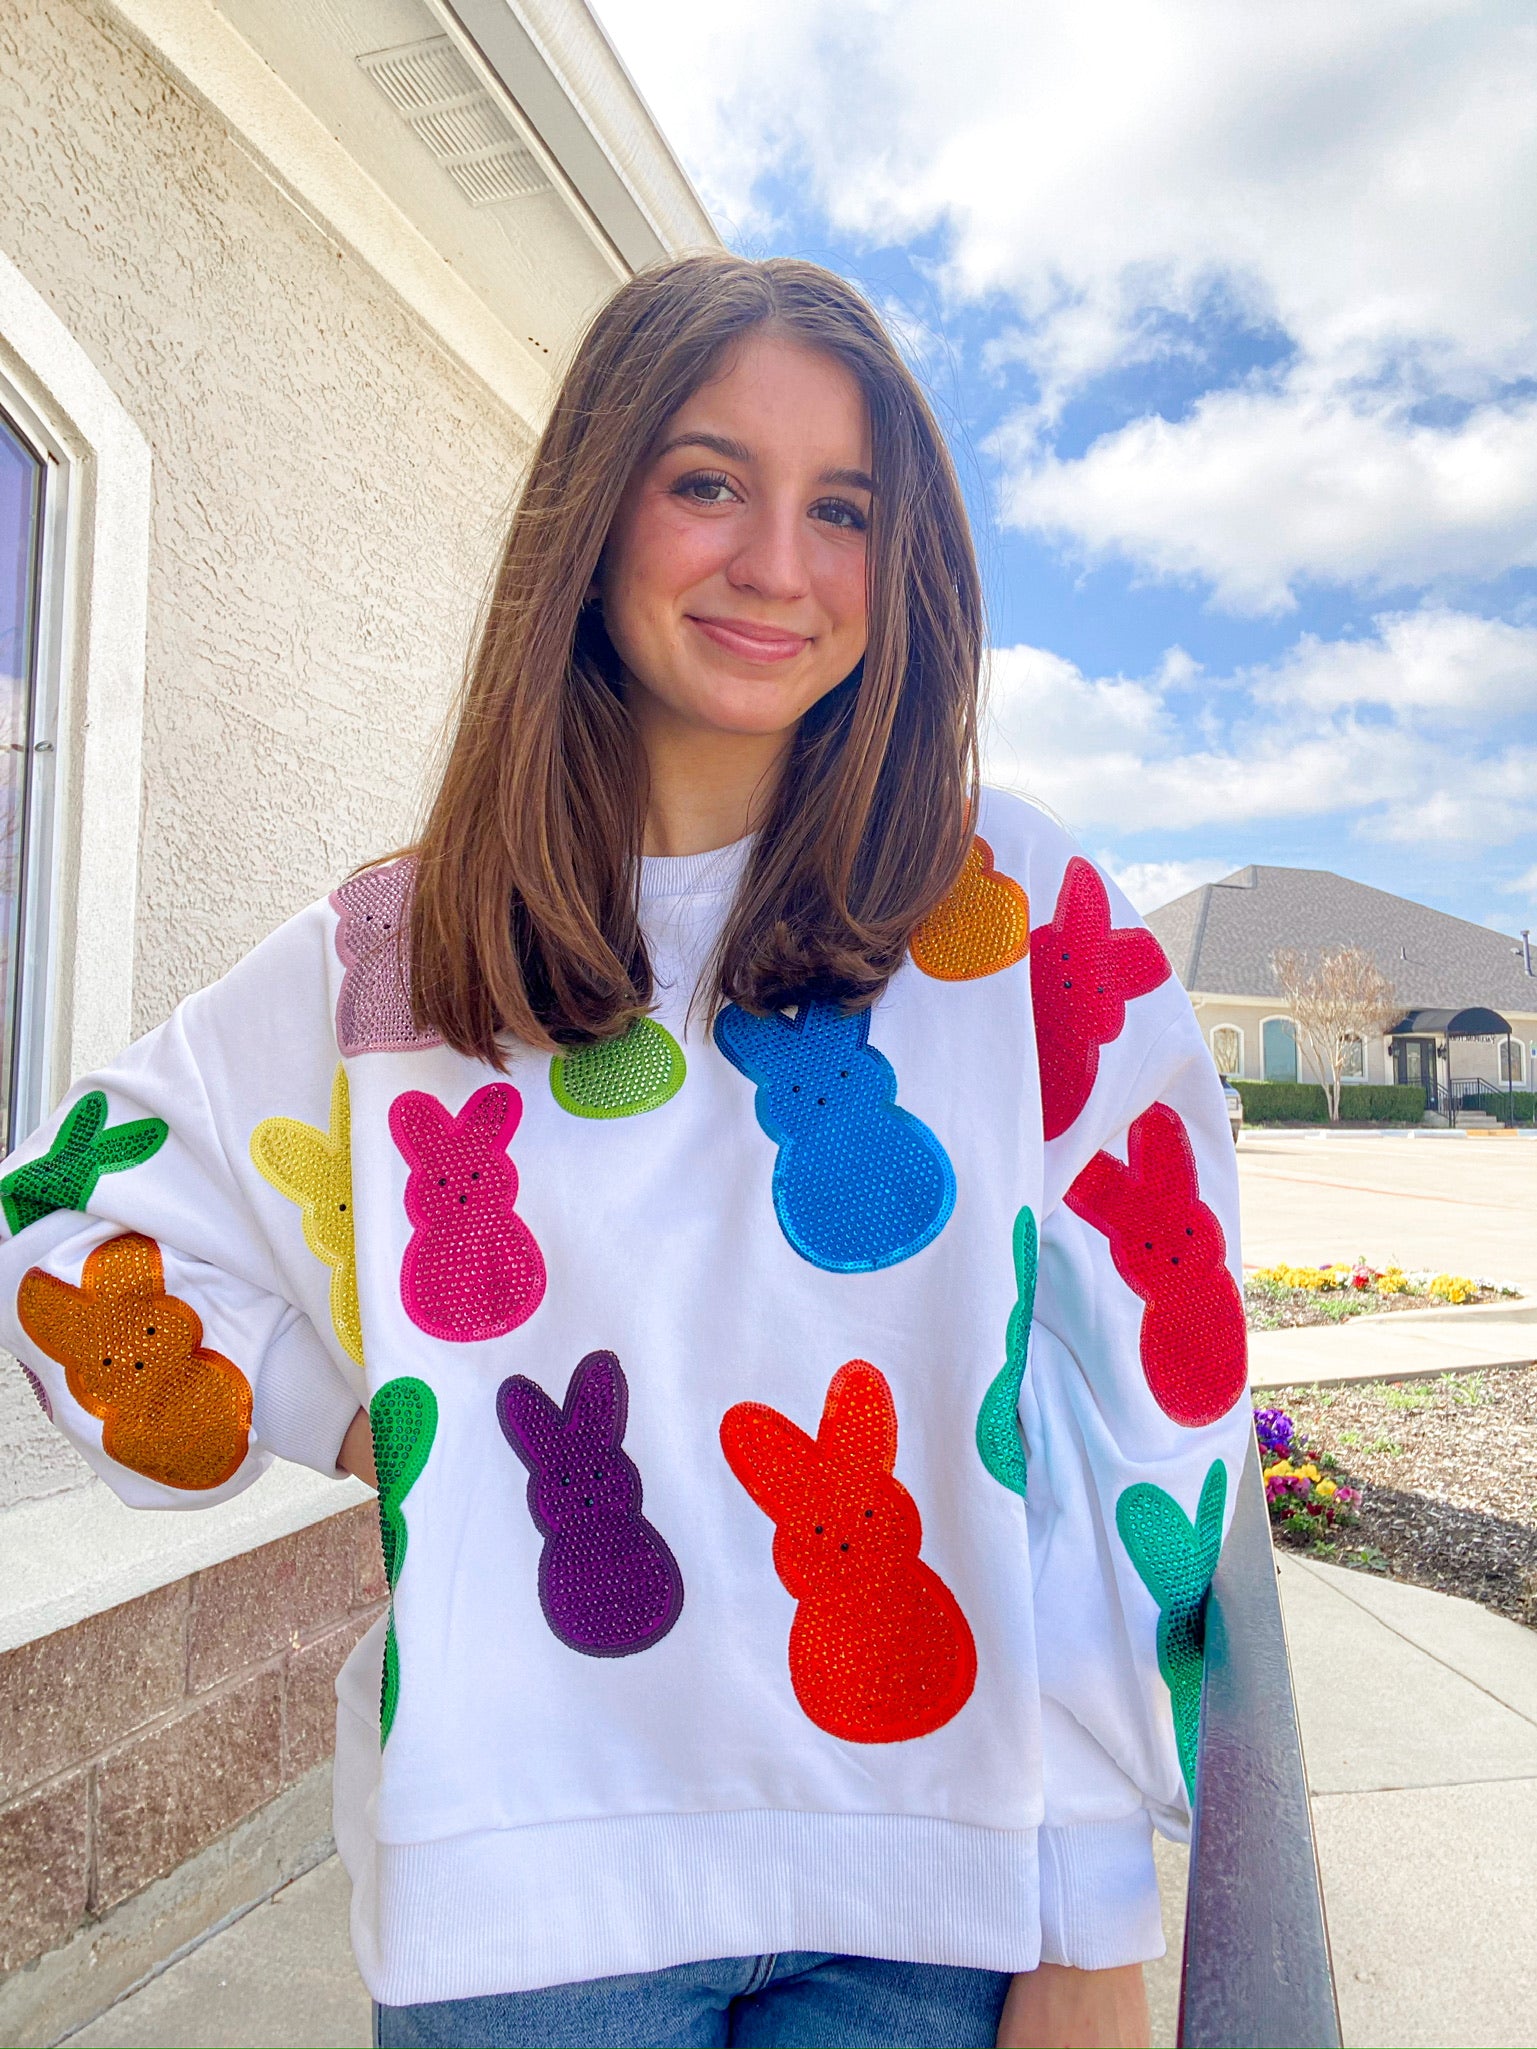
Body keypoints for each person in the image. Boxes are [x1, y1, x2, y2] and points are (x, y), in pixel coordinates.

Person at [0, 254, 1251, 2049]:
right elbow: (60, 1208)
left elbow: (1147, 1398)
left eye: (844, 509)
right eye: (707, 481)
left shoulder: (1013, 916)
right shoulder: (401, 951)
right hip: (522, 1900)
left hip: (930, 1890)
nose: (776, 564)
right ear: (593, 515)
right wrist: (359, 1416)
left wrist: (1089, 1902)